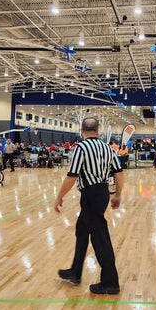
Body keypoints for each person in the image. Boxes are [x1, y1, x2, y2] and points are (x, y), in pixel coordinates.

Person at [54, 117, 123, 295]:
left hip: (91, 195)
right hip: (101, 192)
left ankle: (111, 282)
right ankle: (75, 272)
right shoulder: (108, 148)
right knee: (82, 231)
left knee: (100, 238)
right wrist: (118, 194)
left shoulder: (81, 148)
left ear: (81, 131)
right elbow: (118, 172)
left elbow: (72, 176)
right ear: (98, 131)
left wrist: (59, 197)